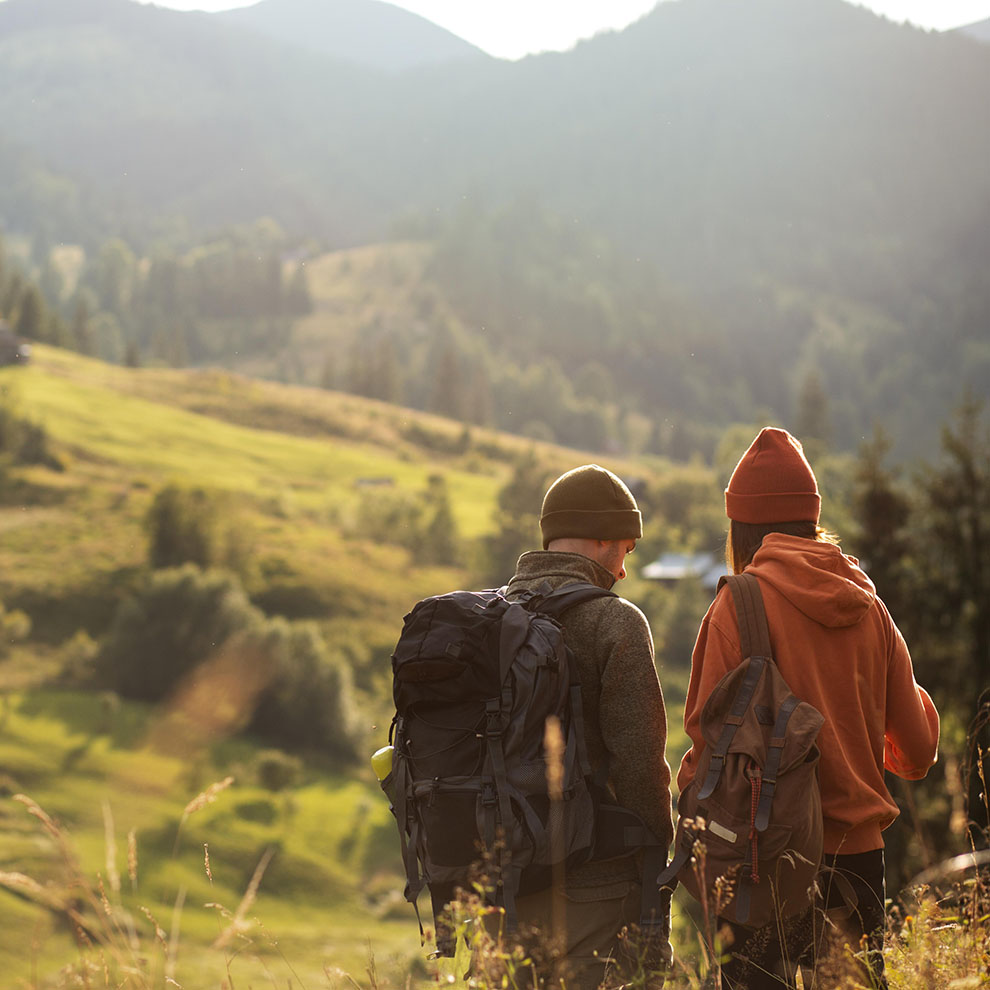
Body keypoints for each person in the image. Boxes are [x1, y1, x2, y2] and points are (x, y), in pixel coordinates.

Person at [677, 428, 939, 989]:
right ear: (811, 518)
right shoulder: (870, 606)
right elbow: (917, 753)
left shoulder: (736, 605)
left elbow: (705, 750)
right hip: (858, 861)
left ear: (739, 526)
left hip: (760, 859)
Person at [502, 462, 674, 989]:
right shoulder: (615, 621)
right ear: (601, 540)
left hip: (502, 886)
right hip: (596, 888)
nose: (623, 569)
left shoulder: (494, 618)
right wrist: (659, 863)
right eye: (625, 549)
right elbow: (641, 763)